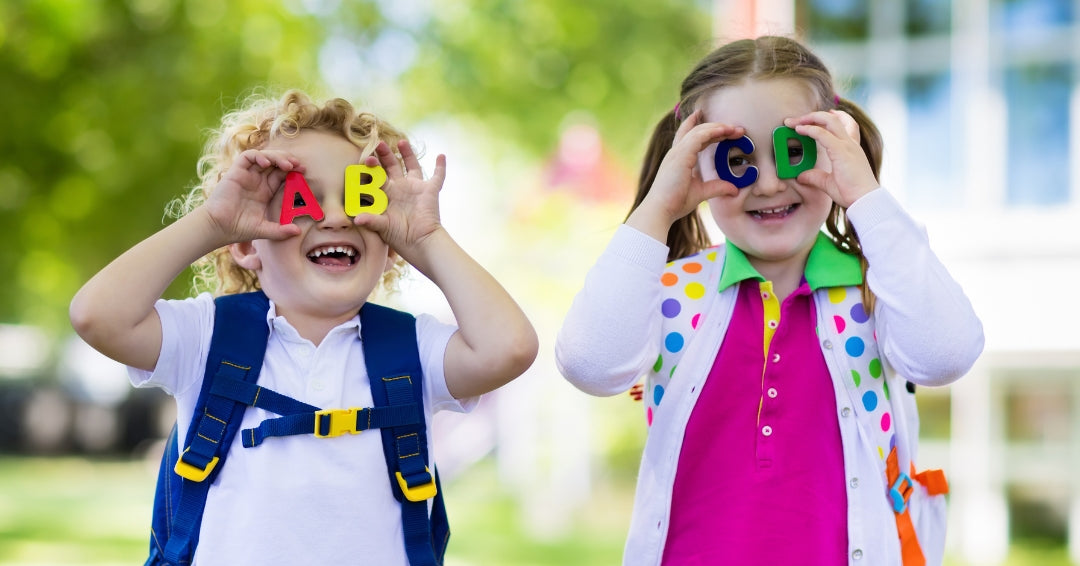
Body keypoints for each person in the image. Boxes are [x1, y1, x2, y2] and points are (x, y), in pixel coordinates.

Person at [555, 35, 982, 566]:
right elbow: (590, 365)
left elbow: (948, 354)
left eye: (794, 151)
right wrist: (657, 209)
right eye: (736, 158)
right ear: (692, 165)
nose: (770, 183)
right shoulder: (672, 291)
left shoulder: (879, 289)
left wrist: (865, 196)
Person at [69, 89, 538, 565]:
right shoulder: (207, 338)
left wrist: (427, 238)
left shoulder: (411, 349)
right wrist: (213, 222)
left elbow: (510, 347)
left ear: (389, 243)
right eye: (302, 200)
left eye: (361, 198)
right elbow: (96, 315)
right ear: (248, 242)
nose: (336, 217)